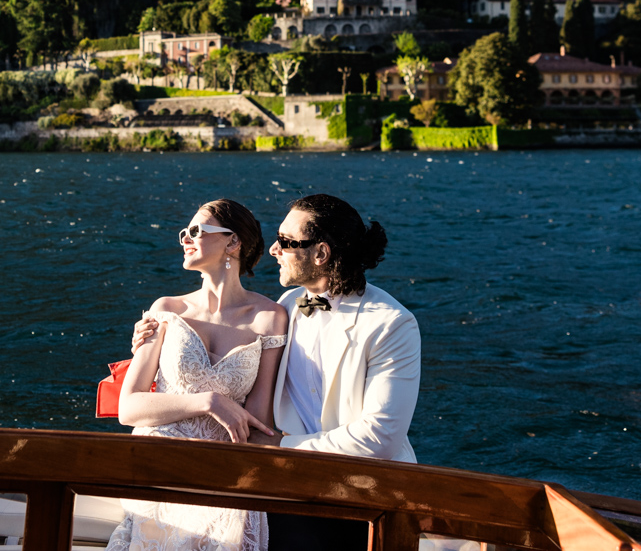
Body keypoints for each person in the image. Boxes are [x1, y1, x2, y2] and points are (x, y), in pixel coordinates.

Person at [132, 193, 421, 551]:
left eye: (285, 242)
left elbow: (379, 437)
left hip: (365, 494)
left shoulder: (391, 325)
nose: (272, 250)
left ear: (320, 253)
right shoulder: (288, 308)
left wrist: (284, 446)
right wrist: (153, 341)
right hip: (287, 488)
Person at [109, 199, 289, 551]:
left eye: (196, 231)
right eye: (183, 233)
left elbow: (260, 419)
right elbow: (127, 409)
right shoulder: (166, 309)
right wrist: (209, 402)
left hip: (224, 470)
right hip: (159, 467)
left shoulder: (270, 318)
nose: (185, 239)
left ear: (233, 242)